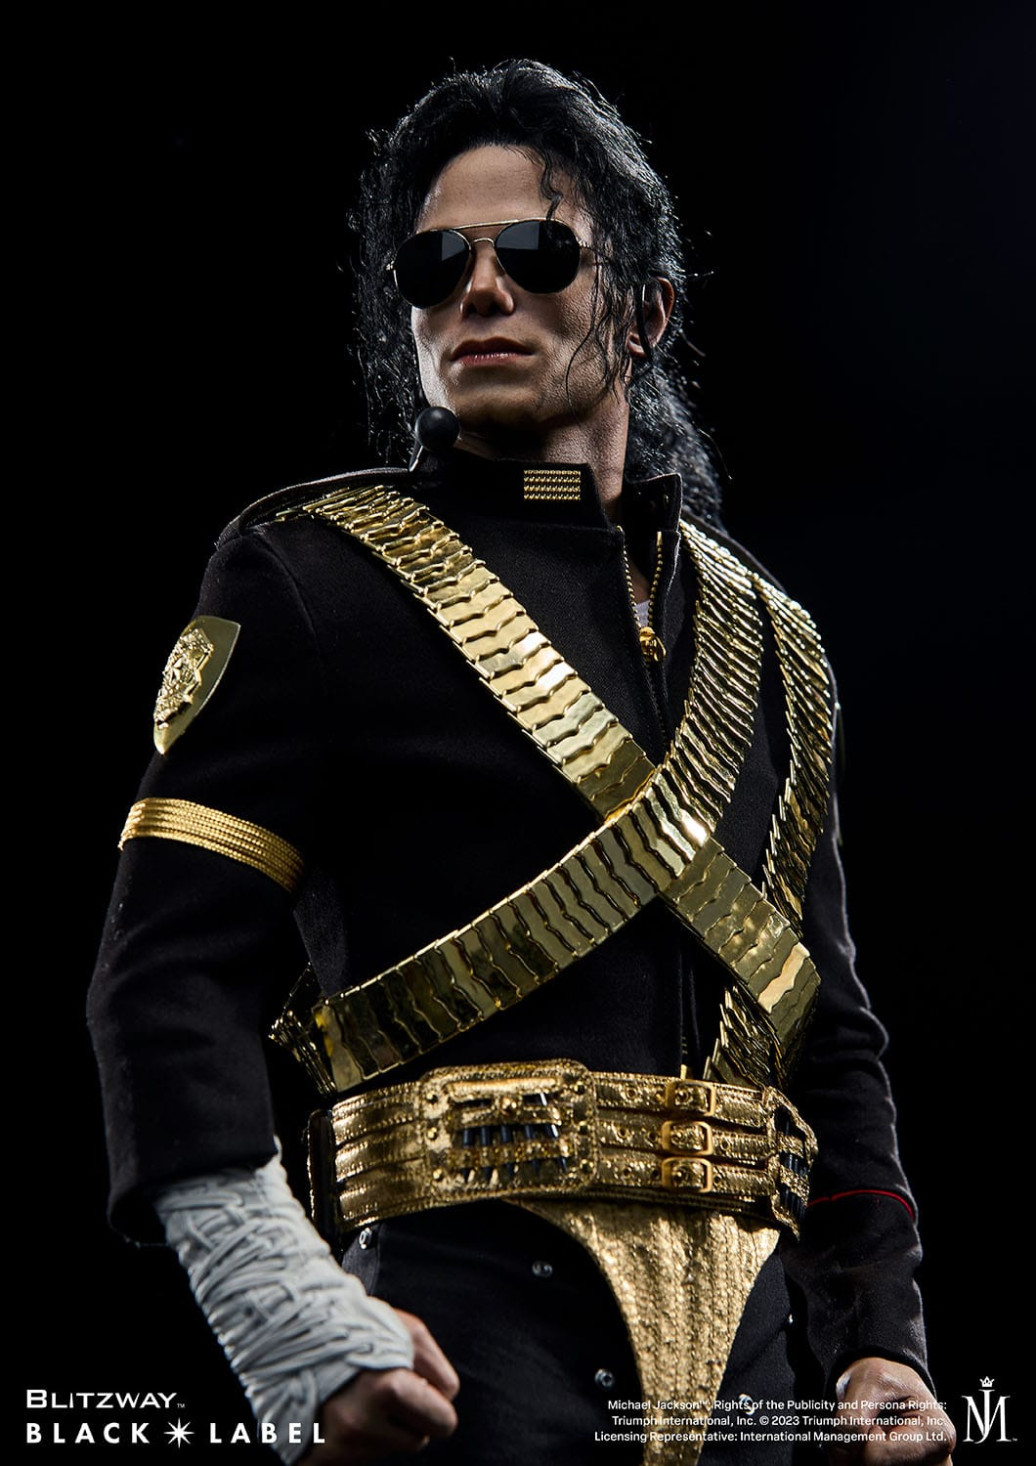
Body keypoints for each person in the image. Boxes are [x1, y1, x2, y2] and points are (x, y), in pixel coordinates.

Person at [88, 60, 956, 1465]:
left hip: (757, 1381)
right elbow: (166, 976)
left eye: (539, 251)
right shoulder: (313, 578)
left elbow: (827, 1034)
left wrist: (879, 1338)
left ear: (646, 311)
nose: (481, 288)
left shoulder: (775, 642)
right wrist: (288, 1317)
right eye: (437, 265)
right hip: (459, 1335)